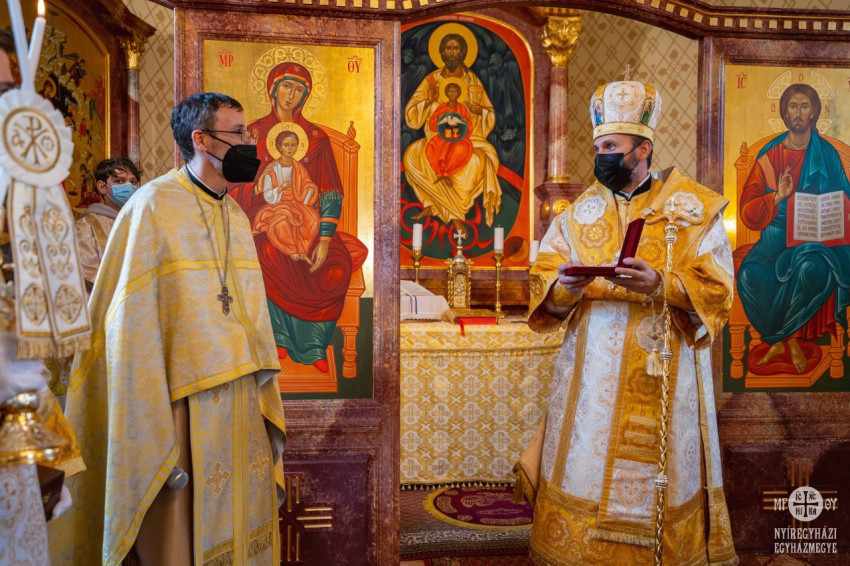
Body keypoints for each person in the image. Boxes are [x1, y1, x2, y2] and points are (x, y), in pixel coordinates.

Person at [50, 92, 287, 566]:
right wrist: (149, 394)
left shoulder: (236, 215)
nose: (249, 142)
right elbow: (127, 322)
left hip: (240, 394)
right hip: (180, 396)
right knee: (180, 530)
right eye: (237, 132)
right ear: (202, 139)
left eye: (247, 132)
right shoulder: (152, 205)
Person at [515, 78, 737, 565]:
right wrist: (565, 287)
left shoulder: (694, 208)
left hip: (667, 369)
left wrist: (661, 283)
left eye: (611, 147)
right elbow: (542, 285)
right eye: (598, 148)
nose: (601, 157)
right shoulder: (578, 213)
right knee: (586, 467)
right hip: (593, 380)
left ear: (643, 149)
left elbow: (719, 287)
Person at [234, 62, 367, 373]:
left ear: (306, 95)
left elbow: (330, 192)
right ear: (272, 89)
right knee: (269, 252)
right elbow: (236, 188)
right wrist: (261, 189)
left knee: (336, 264)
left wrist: (325, 239)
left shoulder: (317, 139)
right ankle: (277, 337)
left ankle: (314, 346)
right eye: (286, 86)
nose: (291, 94)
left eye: (298, 89)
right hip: (264, 219)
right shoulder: (252, 134)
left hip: (308, 223)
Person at [737, 83, 850, 374]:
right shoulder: (769, 156)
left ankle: (790, 340)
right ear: (784, 113)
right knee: (749, 274)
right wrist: (777, 196)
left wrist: (834, 214)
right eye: (792, 106)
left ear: (814, 113)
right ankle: (780, 340)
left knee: (811, 268)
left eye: (804, 106)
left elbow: (845, 196)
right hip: (776, 237)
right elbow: (747, 209)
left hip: (817, 238)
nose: (798, 112)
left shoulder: (827, 154)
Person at [403, 32, 501, 237]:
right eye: (448, 48)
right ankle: (442, 208)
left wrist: (479, 111)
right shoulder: (431, 81)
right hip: (435, 140)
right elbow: (412, 117)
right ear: (441, 53)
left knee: (477, 161)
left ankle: (445, 210)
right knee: (411, 156)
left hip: (466, 140)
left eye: (456, 48)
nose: (452, 52)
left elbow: (489, 114)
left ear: (463, 52)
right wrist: (428, 101)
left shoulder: (472, 81)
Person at [253, 130, 319, 262]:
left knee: (312, 220)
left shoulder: (299, 168)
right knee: (281, 223)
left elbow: (306, 184)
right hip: (278, 205)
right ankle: (292, 250)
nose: (290, 149)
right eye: (286, 145)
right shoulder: (272, 169)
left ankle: (302, 251)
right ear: (279, 147)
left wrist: (310, 189)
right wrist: (281, 188)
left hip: (298, 204)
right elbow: (268, 195)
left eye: (293, 145)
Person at [75, 157, 141, 287]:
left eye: (133, 182)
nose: (129, 186)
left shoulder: (141, 222)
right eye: (119, 181)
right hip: (109, 295)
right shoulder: (86, 224)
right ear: (102, 187)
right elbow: (88, 272)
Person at [424, 81, 474, 187]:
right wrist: (439, 118)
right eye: (450, 91)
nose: (452, 94)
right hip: (444, 136)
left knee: (460, 150)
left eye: (454, 91)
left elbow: (468, 128)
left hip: (458, 137)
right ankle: (439, 173)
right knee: (432, 148)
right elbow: (432, 126)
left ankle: (446, 174)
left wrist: (464, 123)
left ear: (459, 93)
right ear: (446, 93)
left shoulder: (462, 108)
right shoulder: (442, 108)